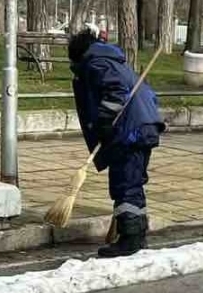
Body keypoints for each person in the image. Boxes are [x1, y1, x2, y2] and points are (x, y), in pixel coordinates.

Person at [68, 25, 164, 257]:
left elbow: (115, 91)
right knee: (131, 182)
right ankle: (135, 234)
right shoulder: (113, 61)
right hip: (141, 128)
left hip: (130, 132)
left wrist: (104, 123)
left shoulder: (96, 63)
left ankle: (130, 239)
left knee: (125, 184)